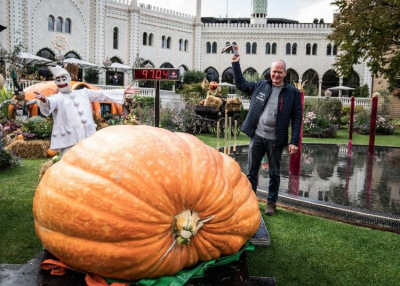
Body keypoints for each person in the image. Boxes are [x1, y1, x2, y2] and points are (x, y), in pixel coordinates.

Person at [231, 55, 302, 215]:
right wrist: (235, 64)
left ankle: (271, 203)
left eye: (279, 72)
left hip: (276, 139)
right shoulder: (261, 86)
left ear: (285, 73)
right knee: (251, 172)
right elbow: (241, 84)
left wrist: (294, 141)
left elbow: (297, 117)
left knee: (274, 173)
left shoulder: (292, 92)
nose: (276, 75)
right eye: (274, 72)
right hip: (257, 135)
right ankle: (249, 202)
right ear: (270, 72)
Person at [35, 65, 138, 158]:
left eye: (64, 78)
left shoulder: (84, 92)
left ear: (69, 79)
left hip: (88, 136)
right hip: (70, 139)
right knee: (69, 163)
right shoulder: (57, 98)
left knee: (90, 161)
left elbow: (102, 94)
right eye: (58, 80)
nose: (61, 82)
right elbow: (50, 102)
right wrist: (45, 100)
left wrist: (122, 91)